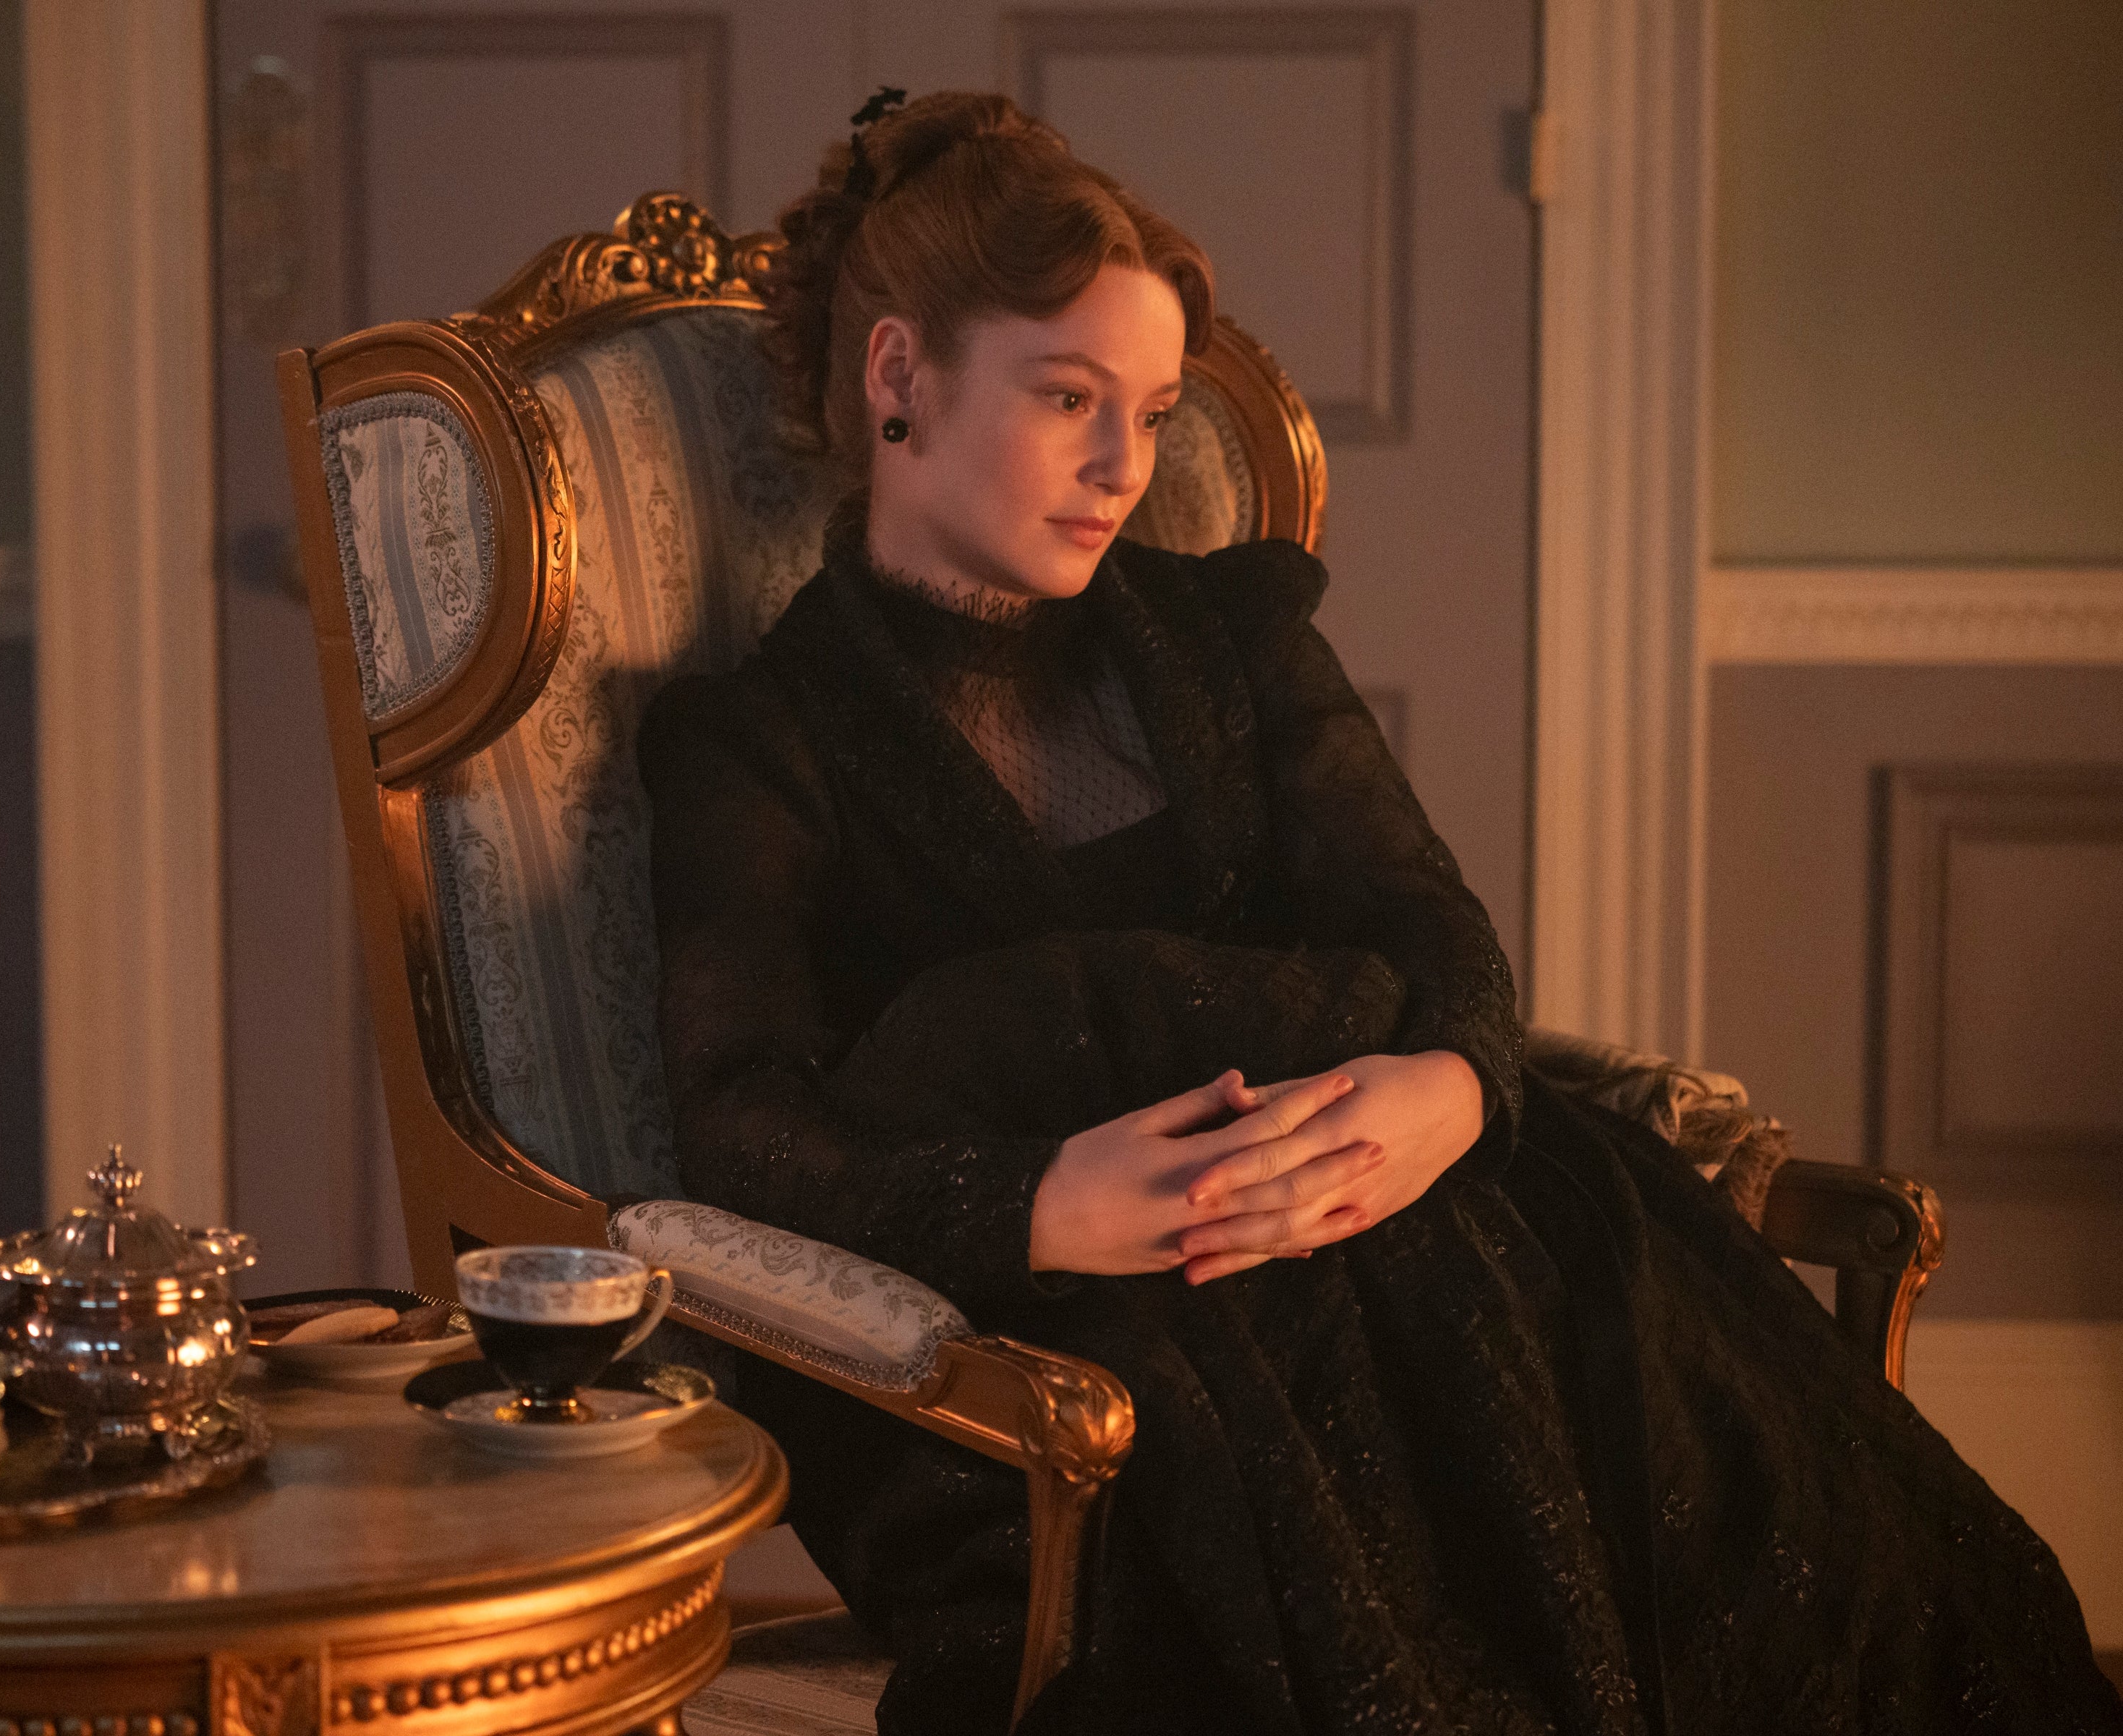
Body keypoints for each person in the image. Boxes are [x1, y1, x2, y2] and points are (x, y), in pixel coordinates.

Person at [636, 90, 2121, 1735]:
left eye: (1149, 408)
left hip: (1439, 1222)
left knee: (1828, 1575)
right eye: (1070, 401)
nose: (1129, 469)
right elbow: (738, 1130)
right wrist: (1041, 1205)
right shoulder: (759, 746)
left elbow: (1435, 939)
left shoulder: (1228, 636)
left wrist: (1452, 1094)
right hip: (1122, 1336)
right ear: (901, 375)